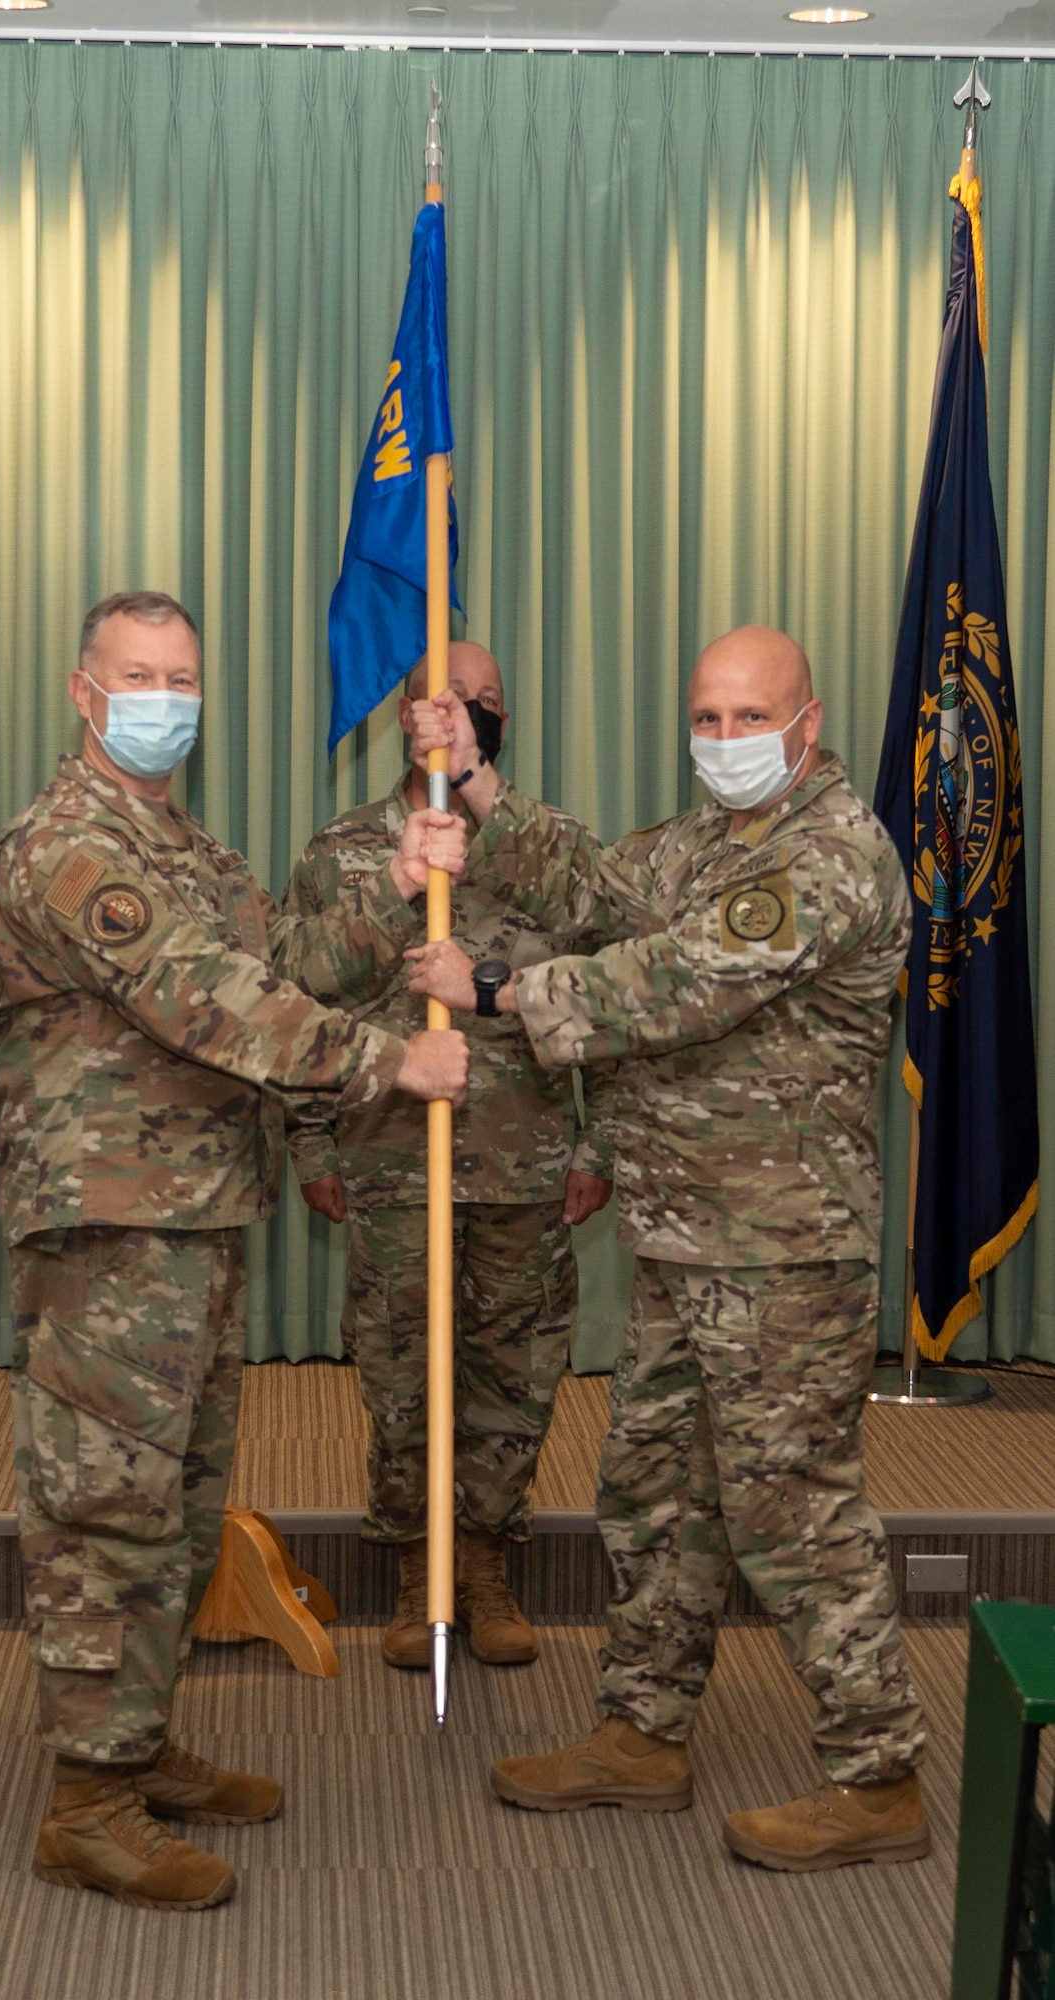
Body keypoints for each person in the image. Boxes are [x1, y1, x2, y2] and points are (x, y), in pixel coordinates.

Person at [0, 590, 470, 1912]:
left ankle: (133, 1745)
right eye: (138, 675)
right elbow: (207, 999)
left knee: (179, 1512)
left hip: (194, 1218)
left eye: (181, 676)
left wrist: (395, 876)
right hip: (109, 1227)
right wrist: (392, 1061)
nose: (163, 698)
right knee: (103, 1515)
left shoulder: (179, 846)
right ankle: (85, 1800)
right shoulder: (67, 846)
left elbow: (286, 955)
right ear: (84, 693)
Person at [405, 625, 929, 1873]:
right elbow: (595, 888)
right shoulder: (704, 845)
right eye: (706, 717)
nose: (724, 740)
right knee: (653, 1492)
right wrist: (472, 776)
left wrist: (491, 991)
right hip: (683, 1235)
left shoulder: (829, 856)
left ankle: (878, 1769)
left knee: (789, 1506)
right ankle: (641, 1730)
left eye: (749, 717)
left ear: (807, 724)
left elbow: (681, 976)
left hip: (781, 1248)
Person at [281, 642, 614, 1670]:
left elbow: (610, 981)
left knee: (512, 1376)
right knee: (399, 1375)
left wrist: (596, 1137)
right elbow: (296, 996)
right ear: (402, 718)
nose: (466, 712)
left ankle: (484, 1562)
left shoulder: (545, 844)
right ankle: (414, 1567)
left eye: (485, 700)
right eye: (445, 698)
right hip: (387, 1156)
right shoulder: (341, 849)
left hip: (521, 1159)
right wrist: (307, 1138)